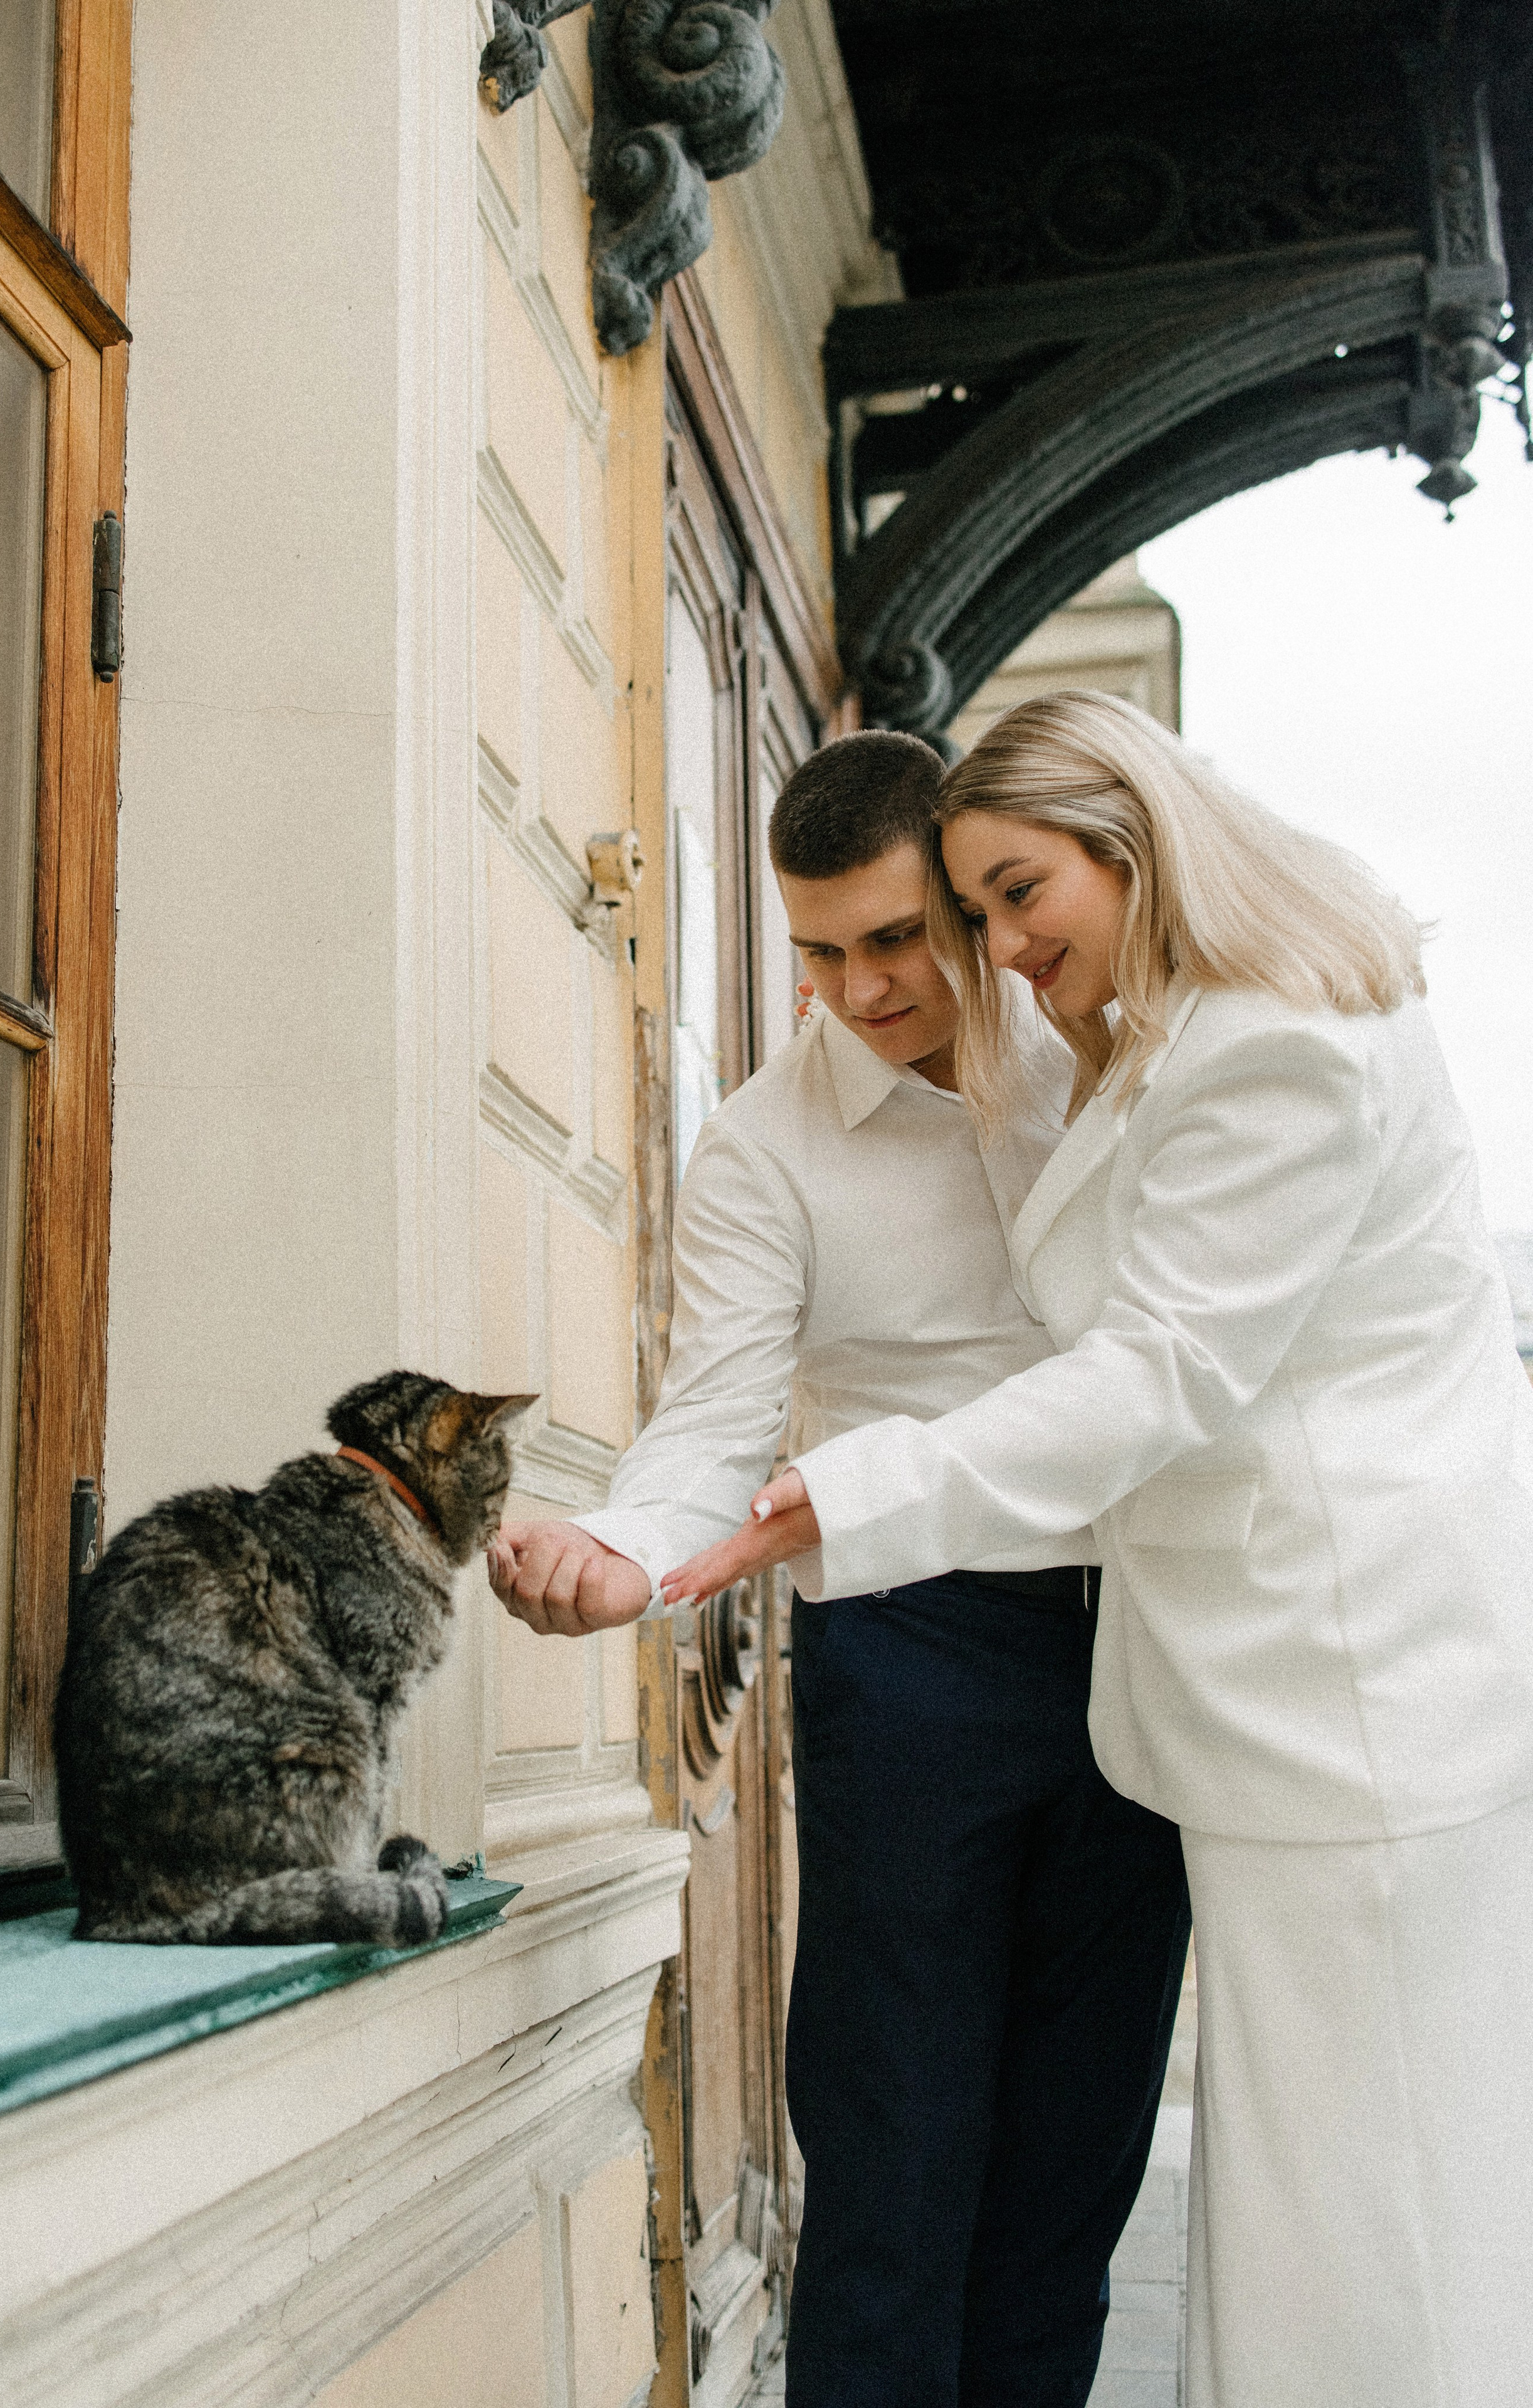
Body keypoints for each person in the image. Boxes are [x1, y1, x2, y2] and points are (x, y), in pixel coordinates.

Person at [662, 691, 1533, 2408]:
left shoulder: (1235, 1039)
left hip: (1327, 1675)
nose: (982, 949)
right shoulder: (1163, 1030)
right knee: (1241, 2189)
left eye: (1000, 900)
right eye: (970, 909)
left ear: (1131, 838)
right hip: (1091, 1673)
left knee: (1346, 2192)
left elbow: (1161, 1368)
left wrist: (850, 1492)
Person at [489, 731, 1191, 2408]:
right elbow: (715, 1421)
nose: (859, 987)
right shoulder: (762, 1144)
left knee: (1073, 2162)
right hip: (913, 1647)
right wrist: (626, 1552)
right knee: (896, 2153)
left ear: (962, 901)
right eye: (820, 948)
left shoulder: (1107, 1047)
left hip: (1156, 1644)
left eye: (895, 939)